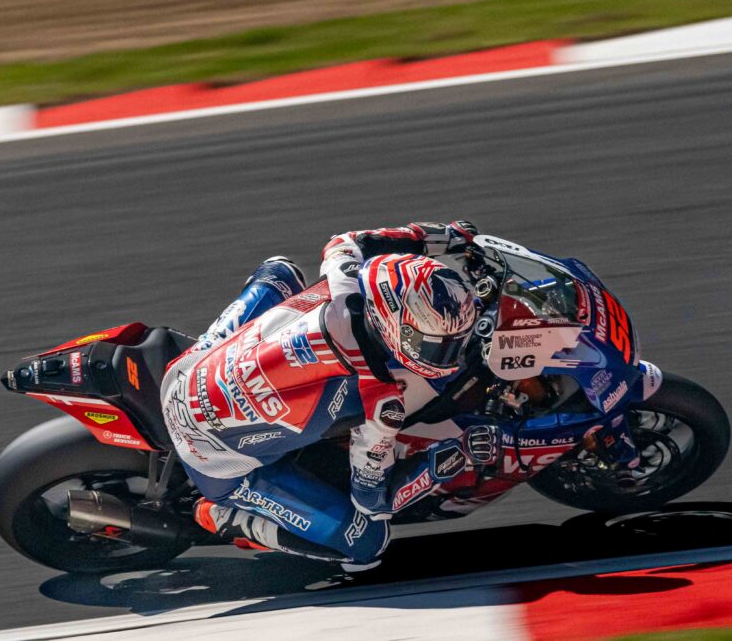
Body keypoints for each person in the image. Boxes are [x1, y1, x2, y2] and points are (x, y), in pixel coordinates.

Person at [160, 221, 499, 570]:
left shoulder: (346, 278)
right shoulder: (381, 402)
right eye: (434, 344)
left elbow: (348, 240)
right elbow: (372, 501)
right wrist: (443, 462)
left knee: (281, 270)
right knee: (365, 543)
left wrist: (439, 236)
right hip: (212, 457)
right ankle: (224, 515)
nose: (448, 354)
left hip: (188, 369)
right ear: (392, 324)